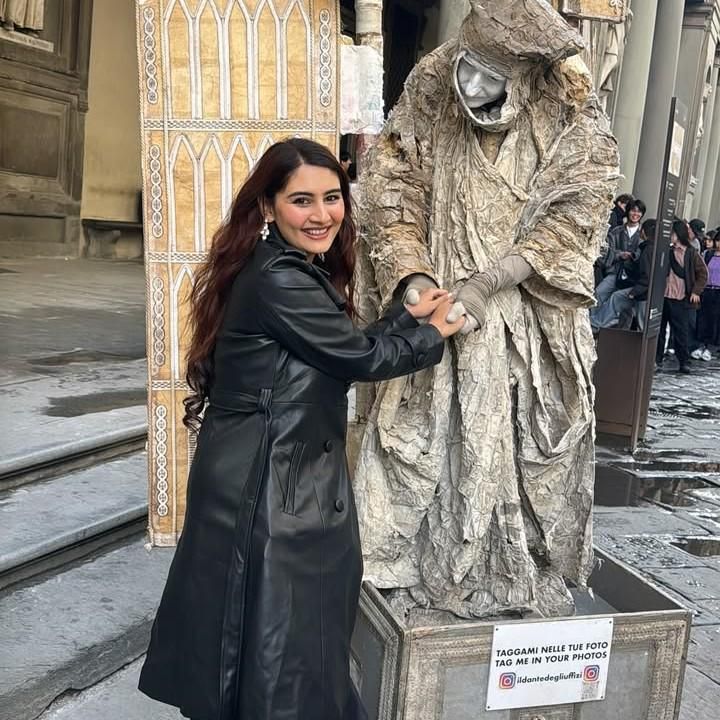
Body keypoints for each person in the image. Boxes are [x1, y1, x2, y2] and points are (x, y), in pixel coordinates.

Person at [137, 138, 466, 720]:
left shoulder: (279, 269)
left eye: (332, 198)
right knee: (280, 643)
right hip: (272, 482)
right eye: (302, 200)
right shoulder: (279, 279)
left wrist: (401, 318)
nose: (321, 215)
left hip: (269, 469)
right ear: (268, 206)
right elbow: (360, 358)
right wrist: (432, 333)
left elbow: (333, 347)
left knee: (269, 639)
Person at [353, 0, 619, 620]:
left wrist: (491, 283)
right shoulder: (431, 83)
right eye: (465, 68)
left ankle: (509, 567)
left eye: (490, 78)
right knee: (422, 435)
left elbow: (576, 208)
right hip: (438, 303)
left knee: (517, 439)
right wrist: (412, 274)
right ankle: (414, 565)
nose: (470, 86)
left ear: (523, 78)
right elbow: (394, 180)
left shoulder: (569, 104)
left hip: (523, 309)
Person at [656, 219, 708, 373]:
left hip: (680, 297)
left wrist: (696, 291)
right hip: (664, 295)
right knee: (659, 330)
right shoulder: (667, 250)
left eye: (672, 233)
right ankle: (657, 359)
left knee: (681, 331)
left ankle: (683, 361)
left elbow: (703, 273)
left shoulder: (691, 253)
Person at [590, 218, 656, 331]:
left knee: (618, 300)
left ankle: (594, 324)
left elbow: (647, 275)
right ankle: (594, 323)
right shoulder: (652, 247)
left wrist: (635, 291)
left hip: (642, 290)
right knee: (604, 294)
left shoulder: (647, 249)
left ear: (643, 232)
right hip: (630, 280)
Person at [595, 199, 646, 303]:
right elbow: (605, 251)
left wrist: (633, 256)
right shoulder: (616, 231)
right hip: (615, 272)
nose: (635, 214)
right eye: (633, 210)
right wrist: (619, 255)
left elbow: (645, 255)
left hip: (634, 276)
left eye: (639, 211)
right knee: (598, 293)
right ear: (628, 211)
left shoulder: (643, 234)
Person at [696, 233, 720, 358]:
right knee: (703, 317)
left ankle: (710, 346)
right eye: (717, 241)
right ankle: (701, 344)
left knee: (715, 319)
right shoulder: (708, 254)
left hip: (718, 291)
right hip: (707, 289)